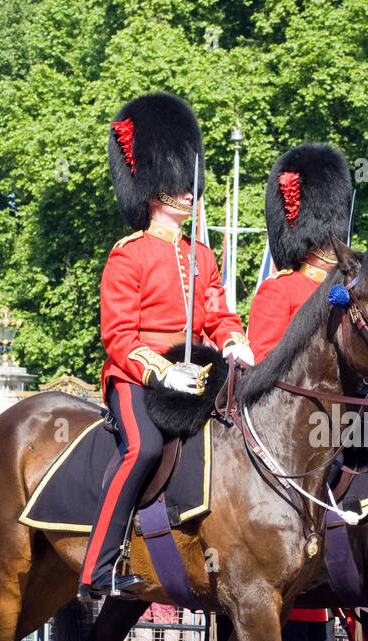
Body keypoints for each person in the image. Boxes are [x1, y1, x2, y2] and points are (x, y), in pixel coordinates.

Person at [214, 142, 351, 641]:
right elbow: (266, 376)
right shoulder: (280, 292)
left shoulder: (341, 290)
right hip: (290, 463)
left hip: (334, 445)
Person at [79, 92, 252, 601]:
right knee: (143, 448)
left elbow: (219, 312)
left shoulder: (201, 253)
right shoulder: (128, 255)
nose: (187, 192)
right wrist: (160, 371)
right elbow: (118, 336)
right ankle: (99, 566)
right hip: (137, 381)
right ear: (154, 189)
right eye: (176, 183)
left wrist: (235, 341)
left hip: (199, 376)